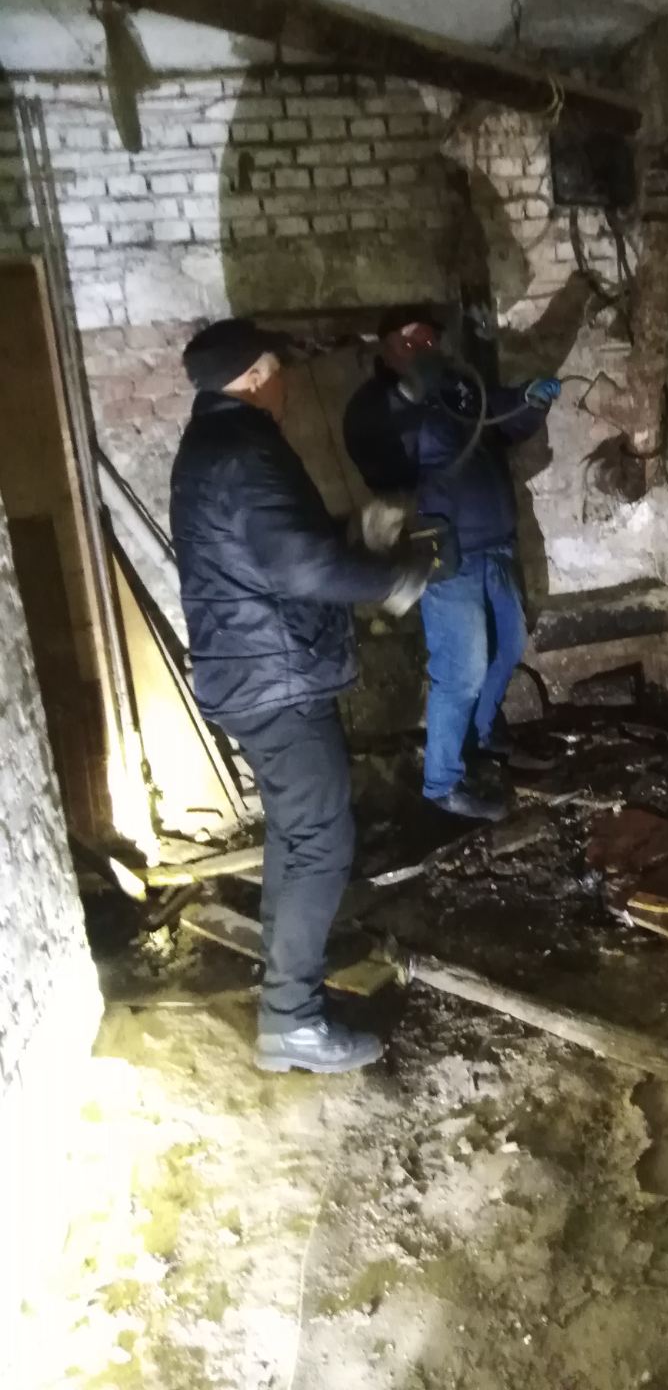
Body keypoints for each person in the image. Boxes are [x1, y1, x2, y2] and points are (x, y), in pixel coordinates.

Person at [170, 317, 434, 1074]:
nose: (284, 383)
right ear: (257, 376)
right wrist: (392, 576)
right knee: (321, 839)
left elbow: (274, 553)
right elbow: (300, 570)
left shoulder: (212, 447)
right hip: (274, 680)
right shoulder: (245, 451)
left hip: (251, 673)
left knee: (297, 833)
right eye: (277, 370)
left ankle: (286, 984)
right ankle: (291, 1020)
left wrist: (354, 534)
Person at [343, 310, 560, 821]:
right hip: (445, 549)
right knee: (462, 669)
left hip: (497, 542)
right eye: (415, 340)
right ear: (388, 346)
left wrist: (530, 401)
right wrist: (408, 397)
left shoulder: (458, 388)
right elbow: (378, 460)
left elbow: (499, 419)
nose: (428, 348)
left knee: (509, 645)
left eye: (432, 340)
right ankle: (442, 782)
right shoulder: (373, 405)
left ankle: (485, 736)